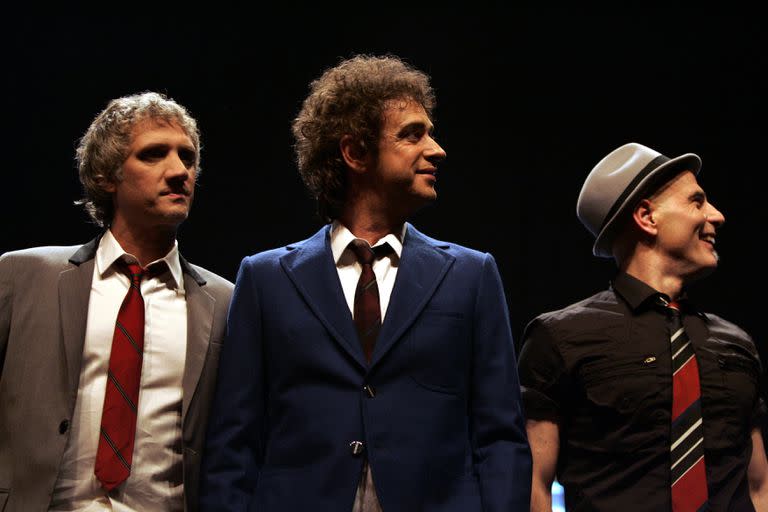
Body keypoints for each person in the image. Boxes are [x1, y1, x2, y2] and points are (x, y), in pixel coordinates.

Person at [200, 54, 531, 511]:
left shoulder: (472, 275)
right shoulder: (266, 278)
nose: (437, 150)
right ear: (355, 152)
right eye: (413, 134)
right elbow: (233, 443)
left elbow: (501, 438)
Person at [0, 91, 234, 511]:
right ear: (108, 175)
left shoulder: (224, 301)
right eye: (154, 154)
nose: (179, 171)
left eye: (188, 157)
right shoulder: (22, 276)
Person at [518, 142, 768, 511]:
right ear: (647, 217)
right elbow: (532, 483)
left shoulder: (737, 343)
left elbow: (759, 486)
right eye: (697, 202)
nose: (716, 216)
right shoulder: (560, 337)